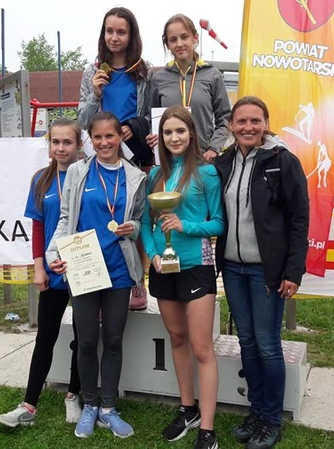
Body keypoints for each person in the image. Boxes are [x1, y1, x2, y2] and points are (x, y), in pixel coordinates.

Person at [214, 97, 310, 449]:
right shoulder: (223, 162)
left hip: (267, 271)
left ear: (266, 123)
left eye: (255, 121)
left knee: (268, 345)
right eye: (241, 121)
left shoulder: (282, 161)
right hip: (233, 268)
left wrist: (293, 271)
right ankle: (256, 411)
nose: (248, 127)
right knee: (247, 342)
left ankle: (271, 419)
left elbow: (299, 219)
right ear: (231, 126)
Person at [46, 111, 147, 439]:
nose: (104, 143)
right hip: (84, 267)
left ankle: (109, 408)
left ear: (120, 137)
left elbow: (140, 220)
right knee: (87, 341)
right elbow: (65, 217)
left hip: (119, 270)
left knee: (114, 340)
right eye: (98, 137)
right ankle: (89, 404)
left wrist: (133, 228)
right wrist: (53, 254)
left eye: (110, 136)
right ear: (91, 140)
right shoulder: (78, 171)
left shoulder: (135, 177)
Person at [141, 106, 224, 449]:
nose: (174, 138)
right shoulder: (155, 176)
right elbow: (145, 222)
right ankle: (187, 409)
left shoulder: (207, 173)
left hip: (197, 265)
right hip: (164, 268)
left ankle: (207, 428)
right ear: (160, 137)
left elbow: (218, 223)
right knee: (177, 338)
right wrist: (153, 254)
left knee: (201, 347)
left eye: (180, 131)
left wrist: (184, 225)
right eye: (167, 132)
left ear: (191, 133)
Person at [0, 118, 83, 428]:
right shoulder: (42, 180)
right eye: (55, 142)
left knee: (83, 338)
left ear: (79, 145)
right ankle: (29, 404)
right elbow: (37, 227)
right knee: (46, 336)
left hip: (82, 268)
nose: (61, 148)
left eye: (67, 142)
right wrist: (39, 268)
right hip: (53, 271)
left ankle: (73, 395)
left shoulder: (88, 174)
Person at [78, 6, 153, 310]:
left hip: (132, 155)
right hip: (101, 153)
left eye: (121, 32)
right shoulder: (92, 70)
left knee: (134, 219)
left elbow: (149, 114)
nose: (114, 37)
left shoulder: (144, 71)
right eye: (109, 31)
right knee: (100, 216)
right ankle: (98, 281)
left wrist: (135, 127)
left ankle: (137, 283)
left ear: (132, 35)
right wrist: (95, 94)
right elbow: (82, 119)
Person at [148, 14, 231, 161]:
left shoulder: (212, 75)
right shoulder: (158, 79)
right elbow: (150, 118)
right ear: (167, 44)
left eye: (184, 37)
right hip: (170, 160)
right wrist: (151, 135)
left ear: (195, 38)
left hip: (203, 158)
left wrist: (214, 148)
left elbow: (225, 118)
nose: (179, 44)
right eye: (173, 40)